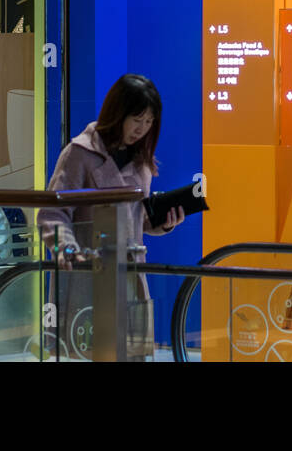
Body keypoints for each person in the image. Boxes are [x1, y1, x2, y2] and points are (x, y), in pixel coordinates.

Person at [36, 74, 183, 360]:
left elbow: (135, 218)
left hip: (128, 275)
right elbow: (52, 213)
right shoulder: (80, 153)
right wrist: (67, 249)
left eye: (149, 122)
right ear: (118, 113)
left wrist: (162, 221)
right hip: (87, 275)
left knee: (130, 353)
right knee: (88, 351)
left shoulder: (140, 159)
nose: (142, 129)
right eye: (137, 119)